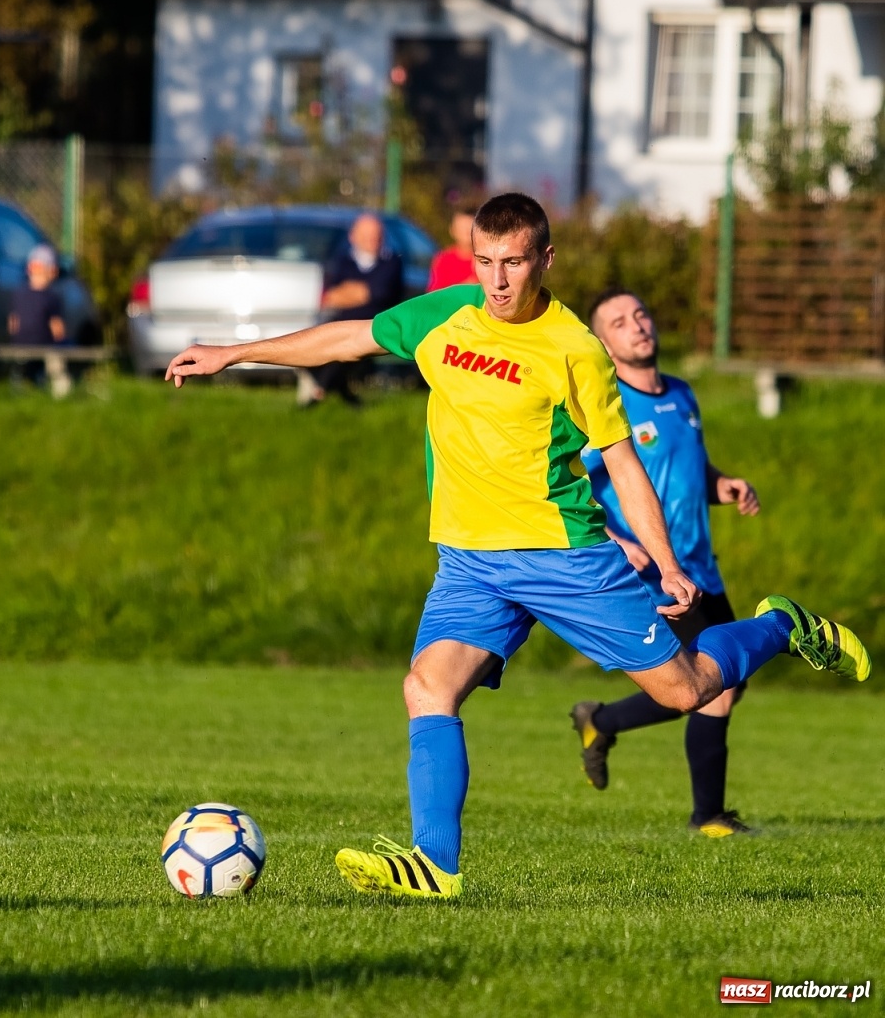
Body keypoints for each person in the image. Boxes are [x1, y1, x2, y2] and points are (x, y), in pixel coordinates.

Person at [165, 193, 869, 900]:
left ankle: (782, 625)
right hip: (469, 560)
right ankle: (434, 862)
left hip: (563, 557)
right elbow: (349, 338)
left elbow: (622, 462)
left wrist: (666, 562)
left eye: (512, 263)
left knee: (686, 689)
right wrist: (235, 353)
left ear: (545, 260)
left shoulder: (575, 350)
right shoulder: (446, 314)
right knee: (427, 687)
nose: (496, 280)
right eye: (485, 261)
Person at [570, 289, 762, 837]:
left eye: (641, 315)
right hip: (656, 575)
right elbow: (563, 485)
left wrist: (721, 484)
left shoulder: (681, 394)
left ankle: (600, 721)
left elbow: (693, 471)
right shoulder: (606, 406)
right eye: (619, 322)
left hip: (702, 568)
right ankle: (709, 817)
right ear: (603, 343)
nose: (637, 326)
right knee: (716, 684)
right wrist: (612, 539)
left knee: (723, 681)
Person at [302, 212, 404, 407]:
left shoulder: (392, 262)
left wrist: (351, 292)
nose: (372, 241)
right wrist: (361, 292)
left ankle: (319, 392)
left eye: (376, 235)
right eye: (366, 236)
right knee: (330, 341)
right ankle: (345, 394)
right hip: (341, 322)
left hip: (375, 325)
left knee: (344, 345)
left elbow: (378, 293)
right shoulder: (341, 261)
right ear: (353, 237)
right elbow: (332, 296)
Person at [7, 244, 68, 387]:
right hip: (44, 344)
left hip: (19, 344)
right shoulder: (52, 297)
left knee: (21, 362)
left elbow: (12, 323)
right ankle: (59, 387)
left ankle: (19, 381)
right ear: (53, 271)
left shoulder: (18, 293)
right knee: (56, 357)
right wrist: (63, 342)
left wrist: (14, 339)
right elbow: (56, 327)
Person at [427, 204, 479, 291]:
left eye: (470, 227)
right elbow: (434, 295)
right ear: (452, 230)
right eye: (462, 227)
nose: (466, 232)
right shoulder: (443, 259)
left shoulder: (489, 258)